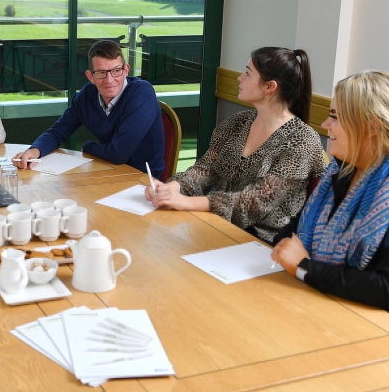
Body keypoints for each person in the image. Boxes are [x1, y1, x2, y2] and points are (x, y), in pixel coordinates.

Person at [146, 47, 326, 243]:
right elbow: (205, 170)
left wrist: (187, 201)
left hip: (262, 244)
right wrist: (173, 188)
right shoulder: (238, 122)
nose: (240, 78)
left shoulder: (302, 140)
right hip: (217, 226)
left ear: (269, 87)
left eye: (248, 74)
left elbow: (256, 202)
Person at [272, 70, 389, 310]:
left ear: (371, 128)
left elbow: (384, 289)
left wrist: (305, 266)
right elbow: (288, 235)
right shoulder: (339, 171)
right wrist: (301, 263)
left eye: (335, 117)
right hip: (318, 300)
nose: (325, 125)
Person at [13, 40, 165, 176]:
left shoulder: (142, 93)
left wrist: (88, 146)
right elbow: (57, 132)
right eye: (101, 73)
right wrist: (34, 151)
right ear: (90, 76)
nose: (110, 80)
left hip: (144, 180)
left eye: (116, 71)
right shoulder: (87, 96)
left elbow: (119, 154)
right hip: (106, 171)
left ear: (126, 70)